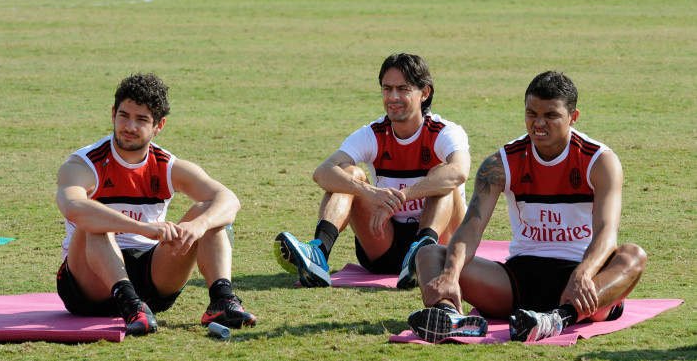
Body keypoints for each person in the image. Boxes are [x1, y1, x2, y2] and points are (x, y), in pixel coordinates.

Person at [406, 71, 647, 343]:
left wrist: (582, 274)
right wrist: (450, 275)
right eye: (531, 113)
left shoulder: (600, 161)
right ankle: (449, 318)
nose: (539, 123)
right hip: (519, 279)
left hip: (581, 279)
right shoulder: (500, 163)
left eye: (551, 115)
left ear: (573, 117)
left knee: (633, 256)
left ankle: (557, 320)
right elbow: (471, 228)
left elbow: (606, 233)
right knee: (429, 255)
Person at [55, 73, 256, 335]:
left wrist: (199, 225)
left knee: (209, 211)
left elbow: (229, 199)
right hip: (88, 283)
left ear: (159, 125)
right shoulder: (84, 163)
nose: (130, 126)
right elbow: (72, 207)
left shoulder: (167, 165)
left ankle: (221, 300)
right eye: (124, 115)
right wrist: (142, 228)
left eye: (141, 120)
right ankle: (128, 302)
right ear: (113, 113)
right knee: (95, 221)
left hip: (151, 274)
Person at [274, 53, 471, 288]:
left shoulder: (445, 131)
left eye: (403, 88)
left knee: (443, 175)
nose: (393, 97)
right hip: (384, 242)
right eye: (387, 89)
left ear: (424, 93)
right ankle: (318, 253)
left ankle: (422, 251)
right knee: (349, 174)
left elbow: (459, 172)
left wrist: (402, 196)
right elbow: (322, 172)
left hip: (441, 244)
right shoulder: (373, 133)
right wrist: (369, 193)